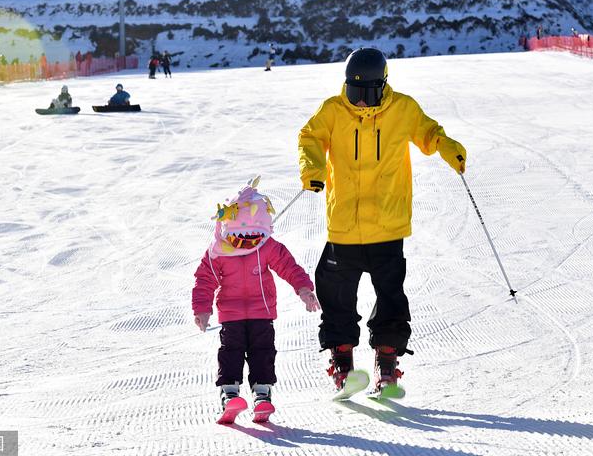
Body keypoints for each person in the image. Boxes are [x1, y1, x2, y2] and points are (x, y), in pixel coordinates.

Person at [297, 47, 467, 394]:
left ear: (382, 86)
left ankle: (386, 365)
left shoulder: (402, 108)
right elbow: (309, 137)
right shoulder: (332, 110)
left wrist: (448, 147)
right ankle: (342, 366)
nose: (360, 102)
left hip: (388, 224)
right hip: (344, 224)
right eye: (354, 93)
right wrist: (313, 170)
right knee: (335, 294)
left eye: (367, 94)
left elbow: (429, 133)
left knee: (390, 296)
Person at [192, 177, 320, 413]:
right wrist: (202, 309)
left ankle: (262, 393)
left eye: (253, 237)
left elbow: (288, 266)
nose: (246, 243)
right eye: (240, 238)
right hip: (231, 314)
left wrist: (303, 288)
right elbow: (205, 280)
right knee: (231, 352)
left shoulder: (267, 246)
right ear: (228, 230)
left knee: (263, 352)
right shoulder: (218, 252)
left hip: (262, 312)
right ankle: (229, 393)